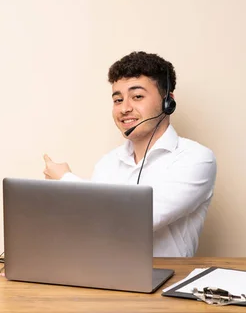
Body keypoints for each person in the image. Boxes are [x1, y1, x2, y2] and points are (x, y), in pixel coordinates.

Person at [42, 51, 217, 257]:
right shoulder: (107, 163)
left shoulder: (195, 158)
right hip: (105, 276)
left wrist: (66, 180)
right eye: (117, 100)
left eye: (137, 97)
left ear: (167, 102)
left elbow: (136, 220)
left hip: (166, 281)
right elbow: (94, 226)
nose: (124, 108)